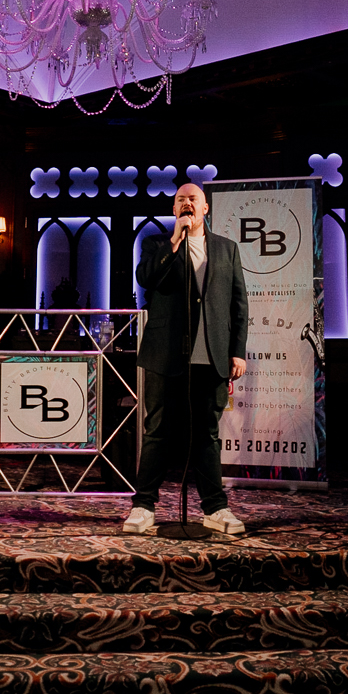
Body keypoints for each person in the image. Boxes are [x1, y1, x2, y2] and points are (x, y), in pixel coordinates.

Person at [124, 181, 250, 536]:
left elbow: (239, 304)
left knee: (207, 434)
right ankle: (143, 505)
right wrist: (175, 242)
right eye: (180, 200)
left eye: (193, 199)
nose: (187, 204)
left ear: (205, 208)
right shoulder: (157, 244)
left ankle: (215, 508)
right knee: (158, 431)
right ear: (174, 209)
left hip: (210, 355)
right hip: (165, 353)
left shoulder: (227, 249)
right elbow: (146, 279)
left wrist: (237, 350)